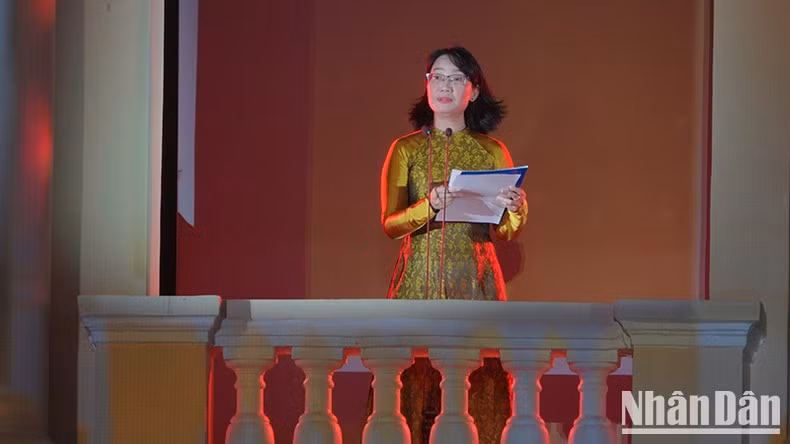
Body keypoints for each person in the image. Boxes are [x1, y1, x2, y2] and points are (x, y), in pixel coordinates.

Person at [378, 46, 528, 444]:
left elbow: (508, 231)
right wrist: (428, 206)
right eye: (438, 77)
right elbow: (391, 224)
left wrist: (516, 208)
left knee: (479, 388)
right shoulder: (405, 149)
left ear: (473, 91)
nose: (445, 85)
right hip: (417, 283)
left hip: (475, 282)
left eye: (457, 78)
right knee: (411, 389)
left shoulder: (491, 150)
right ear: (427, 86)